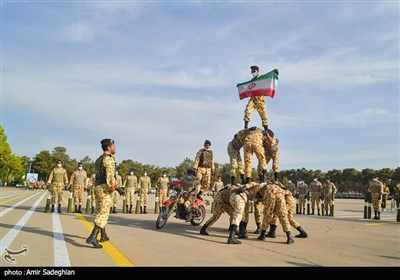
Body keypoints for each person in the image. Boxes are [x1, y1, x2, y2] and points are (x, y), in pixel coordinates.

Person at [86, 138, 124, 249]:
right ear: (109, 147)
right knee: (103, 213)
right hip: (104, 188)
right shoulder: (109, 159)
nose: (115, 148)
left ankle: (103, 235)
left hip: (97, 187)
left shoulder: (99, 159)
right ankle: (92, 237)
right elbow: (110, 176)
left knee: (99, 210)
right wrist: (115, 188)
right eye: (113, 146)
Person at [242, 65, 278, 130]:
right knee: (247, 111)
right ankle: (245, 127)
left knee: (263, 115)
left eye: (254, 71)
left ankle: (266, 130)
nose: (252, 73)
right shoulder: (252, 80)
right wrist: (241, 86)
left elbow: (269, 78)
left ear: (258, 71)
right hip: (253, 100)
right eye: (251, 72)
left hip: (260, 100)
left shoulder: (262, 78)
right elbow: (248, 87)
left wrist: (274, 73)